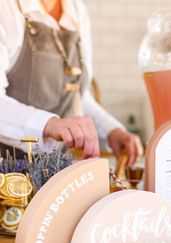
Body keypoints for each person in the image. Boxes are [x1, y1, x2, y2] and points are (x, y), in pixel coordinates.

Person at [0, 0, 143, 165]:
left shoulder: (77, 10)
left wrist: (112, 130)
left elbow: (78, 96)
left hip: (55, 171)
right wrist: (49, 124)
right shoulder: (6, 8)